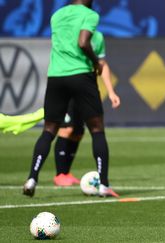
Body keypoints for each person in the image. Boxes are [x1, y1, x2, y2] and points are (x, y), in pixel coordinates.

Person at [22, 0, 119, 197]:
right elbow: (83, 42)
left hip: (56, 76)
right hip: (81, 75)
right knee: (97, 130)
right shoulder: (90, 15)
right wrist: (95, 63)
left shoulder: (56, 15)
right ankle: (103, 185)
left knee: (49, 130)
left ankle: (31, 178)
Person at [53, 30, 121, 187]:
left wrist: (110, 92)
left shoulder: (97, 37)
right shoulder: (69, 35)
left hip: (86, 88)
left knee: (78, 132)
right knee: (67, 129)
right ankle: (59, 174)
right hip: (68, 87)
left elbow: (102, 64)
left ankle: (66, 173)